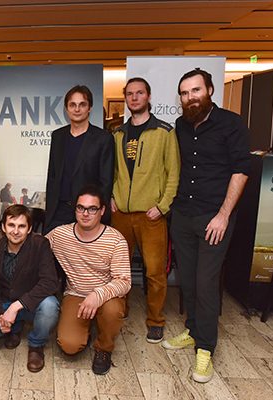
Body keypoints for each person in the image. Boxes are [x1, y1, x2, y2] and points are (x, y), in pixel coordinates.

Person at [162, 68, 250, 384]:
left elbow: (241, 171)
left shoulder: (231, 124)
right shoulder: (180, 126)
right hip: (183, 215)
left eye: (196, 90)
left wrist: (224, 215)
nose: (190, 98)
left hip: (215, 217)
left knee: (206, 282)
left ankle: (205, 348)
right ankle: (194, 329)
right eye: (185, 93)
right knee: (187, 280)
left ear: (210, 90)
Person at [110, 77, 180, 343]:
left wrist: (162, 207)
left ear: (148, 96)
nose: (134, 97)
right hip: (120, 214)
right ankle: (121, 309)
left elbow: (173, 174)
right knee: (119, 270)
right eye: (130, 93)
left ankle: (155, 320)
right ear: (125, 98)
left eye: (139, 93)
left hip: (151, 215)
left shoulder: (164, 132)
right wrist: (111, 197)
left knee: (154, 272)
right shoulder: (117, 133)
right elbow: (112, 171)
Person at [46, 185, 131, 375]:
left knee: (112, 311)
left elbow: (124, 281)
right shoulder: (60, 234)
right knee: (69, 346)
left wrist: (97, 295)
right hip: (76, 294)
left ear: (102, 211)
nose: (85, 214)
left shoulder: (115, 240)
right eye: (81, 208)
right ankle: (87, 327)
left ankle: (103, 348)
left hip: (107, 297)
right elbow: (36, 248)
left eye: (92, 209)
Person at [0, 205, 59, 373]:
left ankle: (36, 345)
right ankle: (15, 327)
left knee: (50, 306)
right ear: (4, 227)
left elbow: (50, 282)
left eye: (21, 226)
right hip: (5, 301)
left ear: (29, 229)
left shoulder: (40, 244)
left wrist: (16, 306)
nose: (15, 231)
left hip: (31, 304)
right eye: (11, 225)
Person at [45, 85, 114, 233]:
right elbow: (52, 176)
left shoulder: (103, 138)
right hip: (58, 211)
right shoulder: (58, 136)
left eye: (82, 104)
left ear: (89, 108)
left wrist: (97, 212)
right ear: (66, 108)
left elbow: (106, 181)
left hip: (87, 212)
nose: (77, 109)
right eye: (72, 105)